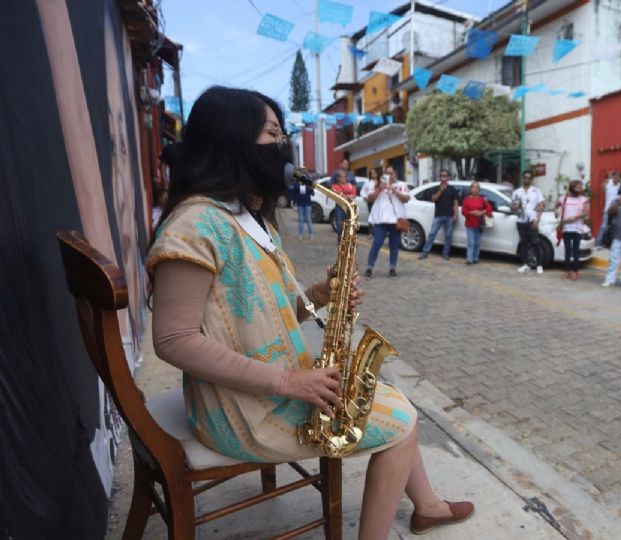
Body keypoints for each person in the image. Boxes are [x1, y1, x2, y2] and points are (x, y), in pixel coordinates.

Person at [148, 87, 471, 540]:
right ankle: (414, 514)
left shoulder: (245, 218)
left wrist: (320, 296)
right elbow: (173, 340)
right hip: (239, 410)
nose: (284, 145)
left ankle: (429, 506)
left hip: (259, 389)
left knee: (390, 399)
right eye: (272, 132)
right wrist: (287, 381)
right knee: (402, 420)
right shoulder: (195, 225)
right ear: (231, 139)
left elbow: (265, 314)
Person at [362, 165, 410, 278]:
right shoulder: (377, 184)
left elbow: (406, 199)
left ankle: (392, 268)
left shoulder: (401, 185)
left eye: (391, 173)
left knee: (394, 246)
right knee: (376, 244)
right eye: (386, 174)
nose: (389, 176)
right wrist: (379, 189)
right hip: (380, 220)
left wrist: (395, 191)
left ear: (395, 174)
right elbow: (370, 199)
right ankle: (369, 267)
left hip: (395, 221)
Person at [418, 169, 461, 260]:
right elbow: (433, 199)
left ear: (448, 177)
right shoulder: (436, 188)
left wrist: (455, 215)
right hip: (438, 215)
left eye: (445, 176)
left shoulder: (452, 189)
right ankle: (425, 252)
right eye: (441, 176)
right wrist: (440, 191)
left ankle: (446, 253)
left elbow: (455, 202)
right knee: (432, 233)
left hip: (449, 215)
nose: (443, 178)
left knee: (448, 235)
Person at [511, 170, 545, 274]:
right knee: (524, 243)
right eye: (525, 177)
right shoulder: (516, 192)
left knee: (535, 243)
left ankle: (539, 265)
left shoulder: (536, 191)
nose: (527, 179)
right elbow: (513, 207)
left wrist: (537, 219)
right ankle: (526, 264)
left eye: (529, 177)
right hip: (521, 221)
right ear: (522, 178)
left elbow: (541, 205)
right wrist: (515, 207)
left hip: (532, 220)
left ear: (532, 179)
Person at [556, 179, 590, 280]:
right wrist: (557, 212)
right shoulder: (564, 198)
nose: (579, 189)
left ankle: (575, 271)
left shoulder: (584, 199)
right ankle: (567, 271)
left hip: (577, 228)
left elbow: (586, 213)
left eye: (580, 187)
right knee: (567, 250)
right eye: (577, 187)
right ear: (572, 187)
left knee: (575, 251)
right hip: (566, 228)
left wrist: (574, 218)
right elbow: (556, 206)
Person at [461, 181, 493, 265]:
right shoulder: (466, 199)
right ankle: (469, 259)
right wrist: (471, 213)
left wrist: (482, 212)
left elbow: (489, 209)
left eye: (477, 188)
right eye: (473, 187)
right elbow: (463, 211)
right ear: (470, 189)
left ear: (479, 190)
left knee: (477, 243)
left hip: (479, 224)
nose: (475, 189)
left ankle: (476, 258)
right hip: (470, 224)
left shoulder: (482, 199)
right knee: (471, 242)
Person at [330, 170, 356, 244]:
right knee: (339, 225)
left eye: (345, 176)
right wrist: (347, 196)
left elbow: (353, 194)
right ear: (338, 178)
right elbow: (336, 196)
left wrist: (346, 197)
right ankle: (340, 239)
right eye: (342, 176)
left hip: (348, 207)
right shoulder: (334, 186)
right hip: (339, 207)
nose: (344, 178)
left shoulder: (349, 185)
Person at [599, 171, 621, 246]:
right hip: (607, 209)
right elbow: (602, 188)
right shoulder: (608, 184)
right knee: (604, 227)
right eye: (615, 176)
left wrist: (620, 179)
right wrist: (608, 178)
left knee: (617, 226)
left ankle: (613, 243)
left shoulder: (620, 185)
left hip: (618, 210)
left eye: (618, 176)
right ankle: (599, 243)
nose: (616, 178)